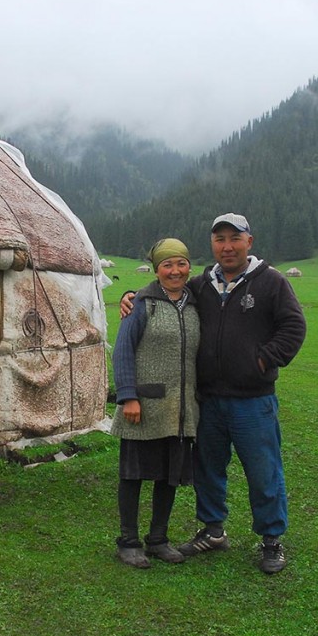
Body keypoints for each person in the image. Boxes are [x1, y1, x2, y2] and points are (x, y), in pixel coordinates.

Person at [120, 213, 306, 574]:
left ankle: (271, 540)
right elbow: (164, 289)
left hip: (253, 400)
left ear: (249, 241)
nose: (227, 246)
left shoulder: (271, 282)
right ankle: (213, 530)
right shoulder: (201, 284)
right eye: (219, 239)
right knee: (209, 470)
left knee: (263, 471)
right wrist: (132, 296)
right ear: (212, 245)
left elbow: (294, 326)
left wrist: (265, 360)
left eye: (234, 238)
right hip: (208, 400)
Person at [111, 238, 200, 569]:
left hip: (179, 409)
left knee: (168, 475)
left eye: (181, 263)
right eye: (167, 265)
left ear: (189, 266)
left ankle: (158, 538)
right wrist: (128, 396)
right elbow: (122, 351)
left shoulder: (195, 304)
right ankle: (128, 541)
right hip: (144, 405)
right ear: (156, 269)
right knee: (133, 474)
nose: (175, 271)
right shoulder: (141, 304)